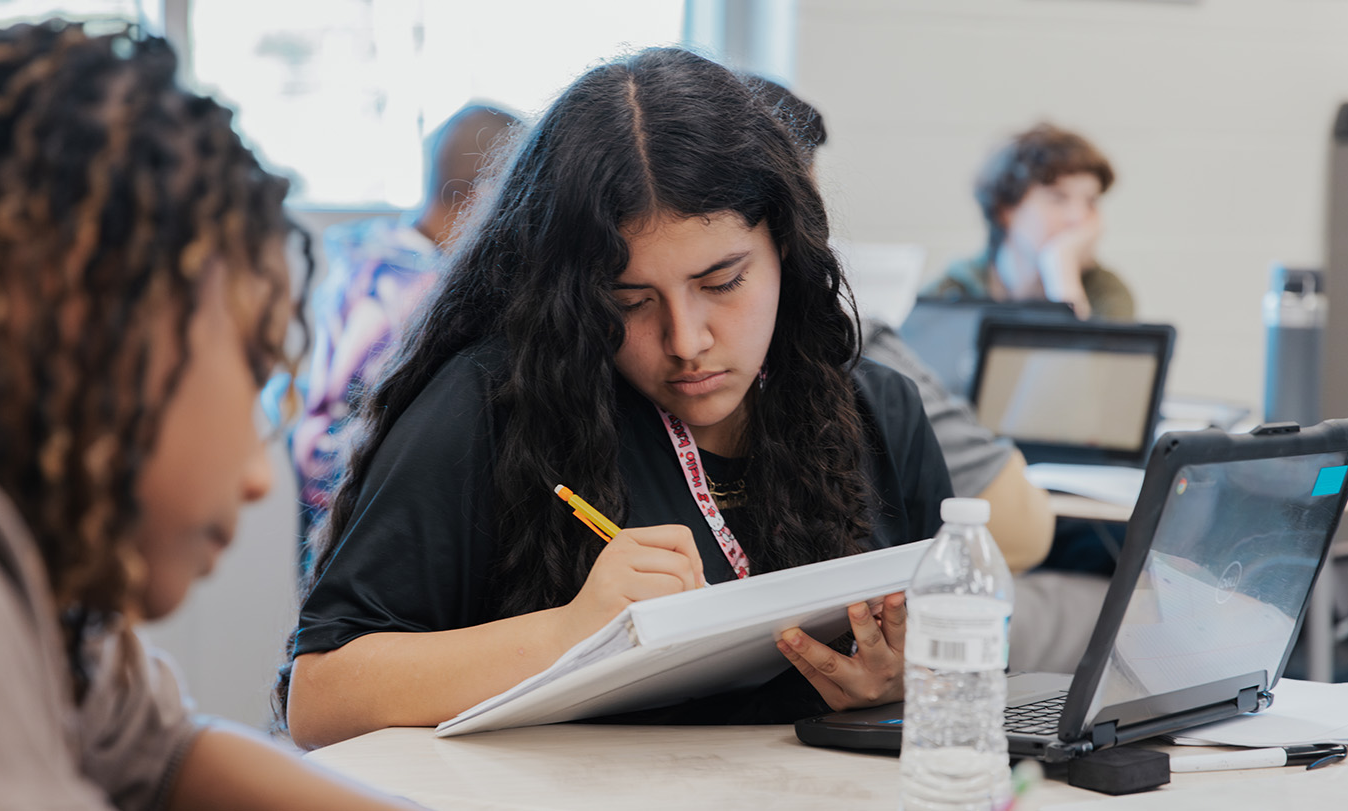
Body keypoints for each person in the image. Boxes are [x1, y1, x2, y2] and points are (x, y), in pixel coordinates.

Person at [279, 48, 955, 749]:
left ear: (789, 246)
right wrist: (573, 632)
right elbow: (322, 698)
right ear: (572, 295)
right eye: (629, 301)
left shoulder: (880, 413)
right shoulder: (494, 406)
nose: (686, 340)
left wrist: (909, 688)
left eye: (722, 282)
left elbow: (972, 665)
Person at [0, 21, 426, 809]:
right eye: (253, 370)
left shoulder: (54, 603)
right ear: (98, 319)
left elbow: (166, 751)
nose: (260, 477)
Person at [748, 80, 1101, 672]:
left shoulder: (1103, 286)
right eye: (1059, 199)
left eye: (1089, 205)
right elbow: (1021, 532)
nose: (1080, 222)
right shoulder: (870, 335)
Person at [292, 104, 521, 541]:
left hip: (318, 482)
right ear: (486, 196)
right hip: (363, 509)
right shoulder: (427, 292)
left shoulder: (368, 257)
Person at [928, 123, 1134, 321]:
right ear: (1006, 211)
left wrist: (1061, 270)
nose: (1078, 217)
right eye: (1058, 198)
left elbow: (1083, 358)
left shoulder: (1106, 292)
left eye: (1090, 202)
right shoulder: (948, 294)